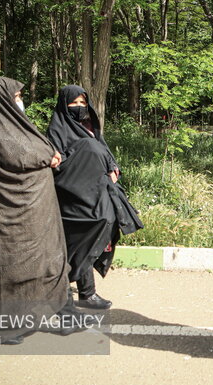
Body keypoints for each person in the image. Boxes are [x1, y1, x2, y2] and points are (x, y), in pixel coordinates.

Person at [0, 76, 81, 345]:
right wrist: (47, 156)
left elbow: (35, 145)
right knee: (11, 268)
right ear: (1, 99)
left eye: (20, 96)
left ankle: (67, 314)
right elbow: (15, 153)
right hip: (9, 218)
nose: (20, 102)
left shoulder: (13, 123)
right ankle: (4, 328)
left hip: (37, 213)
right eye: (17, 97)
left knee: (51, 259)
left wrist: (48, 153)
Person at [47, 85, 143, 310]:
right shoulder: (56, 130)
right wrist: (85, 153)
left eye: (83, 103)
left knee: (102, 229)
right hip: (73, 198)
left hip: (98, 193)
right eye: (74, 103)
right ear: (64, 104)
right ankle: (68, 290)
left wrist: (112, 167)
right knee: (81, 240)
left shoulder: (89, 127)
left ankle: (86, 293)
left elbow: (103, 152)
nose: (80, 107)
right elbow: (59, 165)